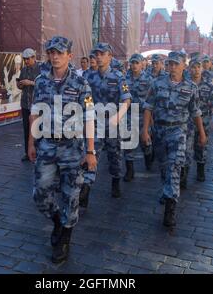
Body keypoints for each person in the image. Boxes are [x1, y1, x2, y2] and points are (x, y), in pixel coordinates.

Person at [28, 36, 97, 263]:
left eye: (59, 52)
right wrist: (30, 142)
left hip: (72, 148)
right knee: (41, 193)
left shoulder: (80, 84)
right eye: (51, 52)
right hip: (46, 144)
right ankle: (58, 220)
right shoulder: (41, 81)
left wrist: (90, 151)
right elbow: (35, 112)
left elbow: (88, 117)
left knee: (70, 195)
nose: (55, 56)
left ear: (69, 55)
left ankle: (65, 236)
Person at [142, 52, 207, 229]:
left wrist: (201, 133)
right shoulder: (157, 84)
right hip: (159, 131)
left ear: (183, 66)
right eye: (169, 64)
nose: (172, 67)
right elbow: (148, 107)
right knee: (164, 167)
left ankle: (171, 206)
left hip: (178, 131)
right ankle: (167, 189)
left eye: (175, 64)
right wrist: (145, 130)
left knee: (174, 166)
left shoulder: (191, 87)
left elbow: (196, 112)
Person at [80, 43, 131, 207]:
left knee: (114, 156)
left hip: (113, 125)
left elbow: (126, 100)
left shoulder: (118, 77)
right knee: (91, 153)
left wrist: (118, 116)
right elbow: (86, 99)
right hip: (95, 123)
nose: (99, 57)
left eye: (103, 54)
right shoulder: (89, 77)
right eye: (97, 54)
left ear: (110, 56)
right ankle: (86, 189)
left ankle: (116, 180)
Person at [182, 59, 213, 186]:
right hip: (187, 122)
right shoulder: (184, 84)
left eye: (198, 67)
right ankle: (184, 175)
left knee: (201, 146)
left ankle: (200, 170)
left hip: (204, 121)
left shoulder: (210, 85)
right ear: (189, 69)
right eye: (193, 67)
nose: (196, 70)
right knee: (186, 149)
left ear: (202, 69)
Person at [123, 53, 154, 181]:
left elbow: (152, 99)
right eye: (132, 63)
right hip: (129, 114)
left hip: (143, 115)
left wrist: (152, 117)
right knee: (128, 143)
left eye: (137, 63)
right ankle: (130, 171)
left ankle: (148, 157)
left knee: (144, 142)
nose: (134, 65)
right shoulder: (125, 79)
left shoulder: (149, 79)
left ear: (142, 64)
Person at [17, 48, 41, 162]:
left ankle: (39, 152)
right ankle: (27, 153)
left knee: (38, 129)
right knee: (26, 128)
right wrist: (20, 84)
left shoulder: (41, 69)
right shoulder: (24, 70)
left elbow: (45, 84)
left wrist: (30, 83)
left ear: (33, 57)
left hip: (37, 104)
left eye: (27, 59)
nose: (26, 61)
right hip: (26, 104)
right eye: (24, 59)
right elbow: (20, 83)